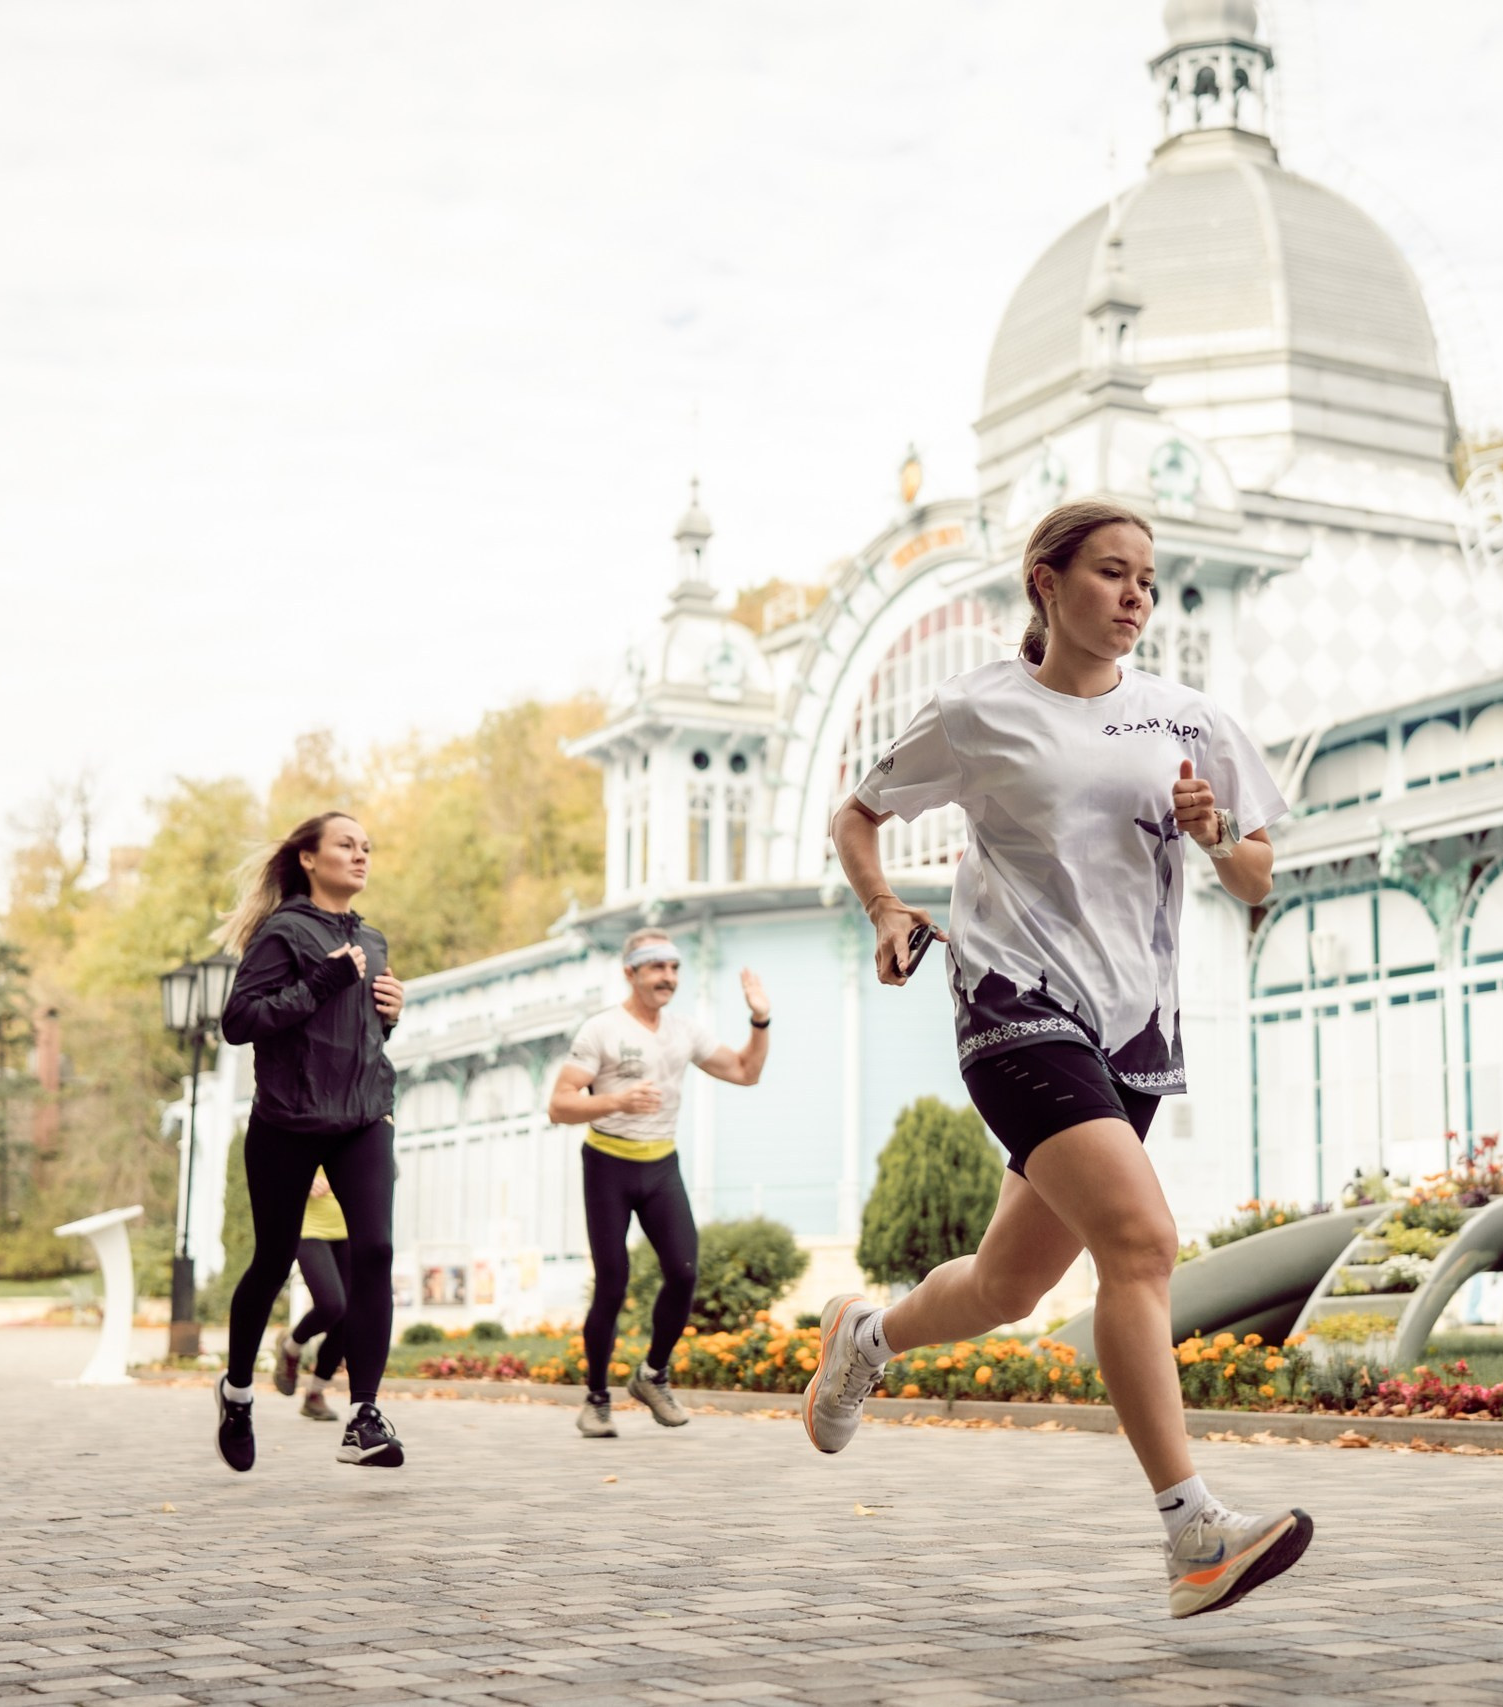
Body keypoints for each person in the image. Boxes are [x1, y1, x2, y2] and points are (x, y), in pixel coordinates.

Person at [801, 500, 1312, 1620]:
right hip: (1011, 1005)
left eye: (1148, 581)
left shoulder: (1185, 719)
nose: (1134, 598)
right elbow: (855, 814)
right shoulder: (980, 709)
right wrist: (886, 908)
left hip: (1131, 1035)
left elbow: (1258, 877)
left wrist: (1215, 830)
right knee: (1140, 1241)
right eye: (1110, 574)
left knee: (1007, 1286)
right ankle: (1192, 1536)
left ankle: (867, 1333)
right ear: (1046, 582)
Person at [212, 811, 406, 1473]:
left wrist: (388, 1017)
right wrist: (321, 982)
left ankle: (364, 1414)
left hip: (361, 1118)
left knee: (375, 1251)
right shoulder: (284, 932)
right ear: (308, 858)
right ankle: (237, 1392)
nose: (360, 856)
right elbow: (239, 1021)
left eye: (367, 848)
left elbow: (356, 1041)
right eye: (346, 845)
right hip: (287, 1122)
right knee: (270, 1261)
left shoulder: (372, 940)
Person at [547, 931, 770, 1440]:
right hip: (608, 1163)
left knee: (684, 1271)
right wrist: (616, 1101)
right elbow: (559, 1106)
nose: (668, 977)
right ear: (631, 973)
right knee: (613, 1283)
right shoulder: (601, 1030)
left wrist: (759, 1020)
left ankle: (652, 1375)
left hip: (661, 1164)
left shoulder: (684, 1031)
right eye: (656, 968)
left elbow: (745, 1071)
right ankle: (596, 1400)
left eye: (674, 968)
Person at [271, 1168, 350, 1422]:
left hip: (351, 1230)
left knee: (347, 1319)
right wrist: (301, 1179)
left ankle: (315, 1394)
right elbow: (271, 1167)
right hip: (309, 1228)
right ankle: (291, 1346)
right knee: (331, 1305)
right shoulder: (307, 1127)